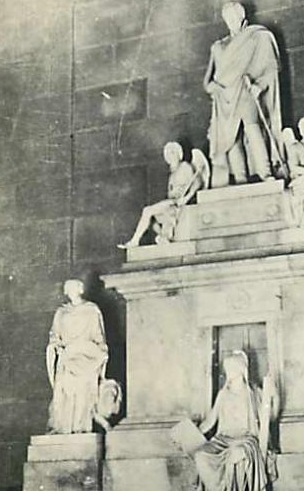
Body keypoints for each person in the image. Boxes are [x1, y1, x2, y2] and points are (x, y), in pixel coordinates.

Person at [203, 0, 282, 187]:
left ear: (242, 16)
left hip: (245, 91)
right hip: (224, 97)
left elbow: (272, 68)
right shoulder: (218, 47)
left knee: (252, 127)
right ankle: (240, 178)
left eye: (234, 16)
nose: (230, 20)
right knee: (231, 138)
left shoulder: (257, 37)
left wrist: (259, 85)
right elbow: (207, 81)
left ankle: (265, 173)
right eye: (227, 18)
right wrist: (211, 87)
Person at [194, 351, 278, 491]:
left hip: (246, 439)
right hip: (223, 439)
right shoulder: (223, 394)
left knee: (237, 454)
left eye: (231, 367)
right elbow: (210, 421)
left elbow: (270, 416)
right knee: (201, 455)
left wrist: (275, 395)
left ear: (241, 369)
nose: (228, 371)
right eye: (227, 368)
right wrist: (189, 434)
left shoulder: (252, 392)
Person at [46, 279, 108, 433]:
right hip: (67, 356)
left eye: (74, 287)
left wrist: (101, 351)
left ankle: (81, 428)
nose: (71, 291)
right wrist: (57, 346)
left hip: (87, 355)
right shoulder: (61, 312)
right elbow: (55, 335)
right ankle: (63, 427)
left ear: (81, 289)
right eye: (68, 288)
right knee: (64, 390)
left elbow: (98, 335)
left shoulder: (91, 310)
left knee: (83, 393)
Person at [118, 142, 206, 249]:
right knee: (153, 220)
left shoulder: (184, 167)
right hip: (171, 203)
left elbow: (197, 182)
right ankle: (162, 237)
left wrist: (186, 198)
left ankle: (136, 240)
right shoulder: (172, 173)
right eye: (168, 153)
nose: (170, 155)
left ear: (179, 154)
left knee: (147, 211)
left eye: (173, 152)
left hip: (176, 202)